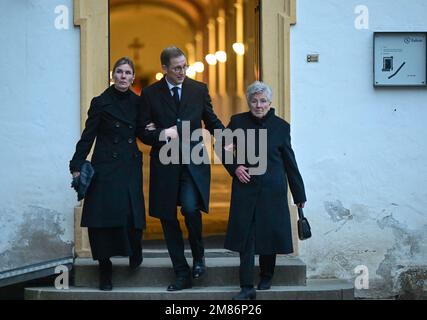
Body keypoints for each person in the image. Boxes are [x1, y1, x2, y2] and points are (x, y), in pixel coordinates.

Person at [139, 46, 225, 291]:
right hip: (165, 164)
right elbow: (142, 130)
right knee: (167, 217)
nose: (182, 71)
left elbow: (210, 119)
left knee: (190, 207)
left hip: (192, 161)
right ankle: (180, 272)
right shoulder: (150, 94)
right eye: (176, 68)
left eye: (184, 66)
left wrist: (227, 137)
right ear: (164, 68)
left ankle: (199, 256)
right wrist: (160, 134)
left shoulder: (198, 89)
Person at [222, 81, 307, 300]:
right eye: (254, 100)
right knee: (246, 238)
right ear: (248, 101)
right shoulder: (237, 122)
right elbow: (223, 147)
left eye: (263, 101)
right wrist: (235, 167)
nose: (258, 105)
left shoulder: (281, 126)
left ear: (270, 102)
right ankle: (246, 286)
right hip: (245, 189)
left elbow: (290, 161)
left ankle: (267, 275)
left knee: (269, 235)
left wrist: (299, 194)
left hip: (272, 189)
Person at [69, 57, 146, 291]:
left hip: (129, 166)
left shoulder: (139, 103)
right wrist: (77, 163)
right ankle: (105, 269)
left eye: (127, 73)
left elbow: (144, 132)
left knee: (132, 216)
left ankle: (135, 252)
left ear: (133, 77)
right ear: (113, 75)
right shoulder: (100, 102)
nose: (123, 76)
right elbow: (88, 135)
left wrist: (159, 131)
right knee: (101, 220)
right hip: (104, 166)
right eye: (119, 72)